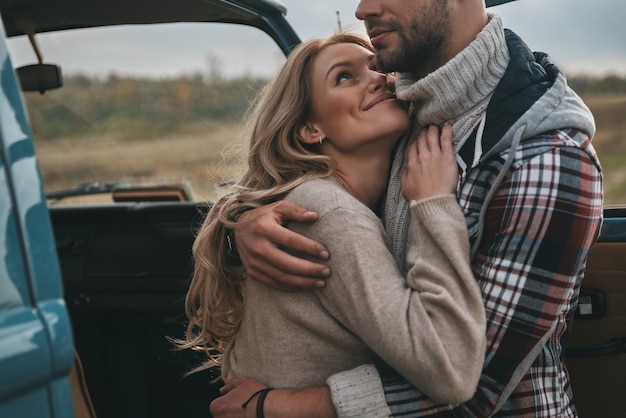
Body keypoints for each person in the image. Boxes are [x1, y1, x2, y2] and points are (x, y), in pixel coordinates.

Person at [212, 0, 605, 417]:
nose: (362, 9)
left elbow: (475, 381)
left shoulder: (542, 159)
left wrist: (278, 407)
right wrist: (245, 222)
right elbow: (311, 186)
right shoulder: (401, 111)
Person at [180, 32, 486, 416]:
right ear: (310, 129)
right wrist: (433, 204)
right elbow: (449, 371)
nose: (377, 78)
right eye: (344, 76)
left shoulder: (320, 202)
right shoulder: (329, 213)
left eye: (376, 67)